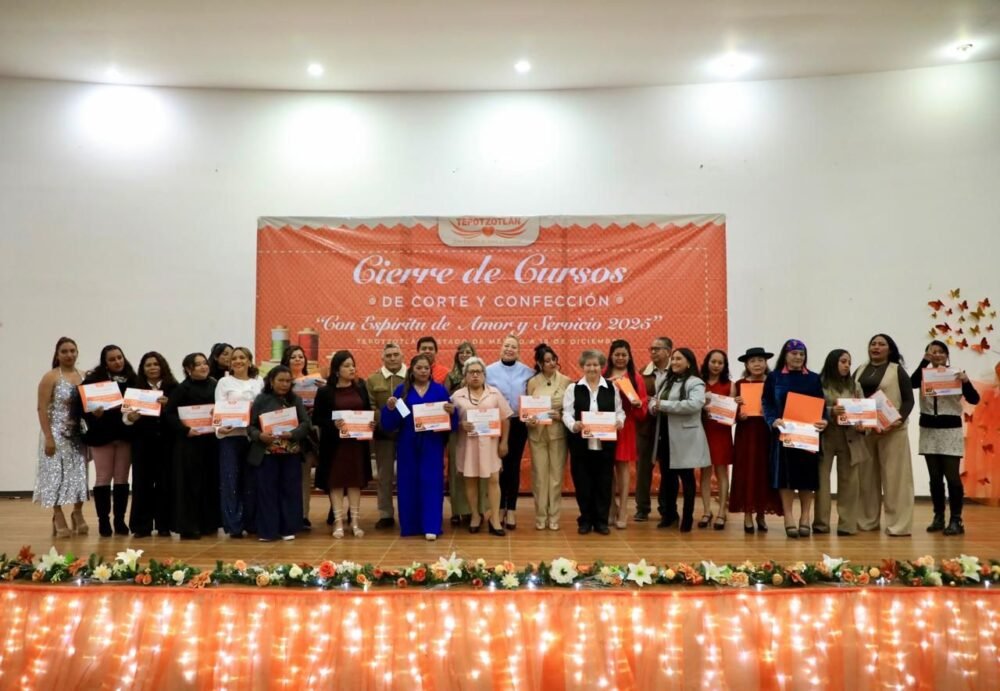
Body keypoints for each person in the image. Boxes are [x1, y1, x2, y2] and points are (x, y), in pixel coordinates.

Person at [381, 354, 454, 540]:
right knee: (408, 482)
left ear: (431, 371)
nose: (423, 371)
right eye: (419, 368)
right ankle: (411, 525)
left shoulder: (439, 390)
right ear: (412, 370)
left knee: (432, 482)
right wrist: (390, 409)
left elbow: (451, 421)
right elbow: (391, 423)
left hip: (432, 443)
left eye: (426, 368)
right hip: (408, 443)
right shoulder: (402, 390)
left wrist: (452, 412)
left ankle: (431, 526)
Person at [910, 340, 980, 535]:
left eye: (941, 351)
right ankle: (938, 516)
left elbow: (974, 399)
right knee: (935, 477)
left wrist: (966, 381)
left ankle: (956, 519)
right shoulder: (923, 374)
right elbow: (911, 383)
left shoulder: (956, 374)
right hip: (929, 429)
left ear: (947, 355)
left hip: (950, 430)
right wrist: (924, 362)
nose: (937, 355)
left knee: (952, 477)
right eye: (933, 352)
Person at [762, 339, 828, 539]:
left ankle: (805, 516)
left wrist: (824, 420)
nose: (798, 357)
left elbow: (821, 403)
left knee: (807, 477)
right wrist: (772, 420)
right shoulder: (774, 377)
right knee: (786, 477)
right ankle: (788, 516)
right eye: (794, 353)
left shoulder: (814, 378)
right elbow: (767, 402)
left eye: (802, 354)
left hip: (808, 436)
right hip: (784, 434)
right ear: (785, 355)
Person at [855, 333, 915, 536]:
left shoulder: (897, 370)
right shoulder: (860, 370)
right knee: (866, 479)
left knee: (896, 479)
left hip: (893, 431)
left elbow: (909, 400)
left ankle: (899, 525)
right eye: (873, 343)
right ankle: (866, 521)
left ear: (890, 349)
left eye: (881, 344)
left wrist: (898, 419)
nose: (876, 347)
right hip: (866, 431)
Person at [77, 344, 138, 537]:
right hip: (101, 435)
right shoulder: (92, 381)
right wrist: (93, 413)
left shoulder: (133, 380)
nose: (117, 362)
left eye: (119, 357)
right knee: (103, 477)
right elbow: (81, 409)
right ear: (105, 363)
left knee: (122, 478)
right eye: (112, 359)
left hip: (125, 435)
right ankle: (103, 520)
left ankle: (119, 520)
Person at [649, 347, 711, 532]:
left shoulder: (695, 382)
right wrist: (653, 406)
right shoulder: (665, 380)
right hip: (665, 436)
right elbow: (654, 400)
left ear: (689, 362)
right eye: (673, 359)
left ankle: (687, 518)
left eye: (679, 359)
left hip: (685, 438)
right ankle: (669, 515)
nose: (674, 362)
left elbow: (694, 404)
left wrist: (663, 405)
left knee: (687, 478)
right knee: (668, 478)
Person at [313, 350, 374, 539]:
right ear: (336, 370)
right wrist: (333, 423)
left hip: (357, 445)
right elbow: (317, 418)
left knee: (356, 482)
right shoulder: (325, 392)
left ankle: (355, 522)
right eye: (347, 366)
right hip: (335, 446)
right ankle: (338, 522)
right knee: (336, 482)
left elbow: (367, 411)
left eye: (353, 365)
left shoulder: (361, 388)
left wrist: (371, 423)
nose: (352, 369)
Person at [564, 349, 625, 535]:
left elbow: (620, 411)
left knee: (604, 482)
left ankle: (601, 521)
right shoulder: (573, 388)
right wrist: (574, 425)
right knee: (583, 483)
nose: (592, 368)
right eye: (588, 365)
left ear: (602, 367)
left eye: (595, 365)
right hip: (580, 444)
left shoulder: (611, 388)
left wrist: (619, 421)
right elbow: (566, 413)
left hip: (605, 444)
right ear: (582, 367)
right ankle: (585, 520)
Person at [451, 356, 512, 536]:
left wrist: (504, 442)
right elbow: (449, 421)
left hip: (490, 445)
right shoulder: (456, 396)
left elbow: (505, 418)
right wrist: (460, 425)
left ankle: (495, 519)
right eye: (471, 372)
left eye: (479, 372)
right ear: (465, 375)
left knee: (493, 480)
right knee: (470, 480)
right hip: (467, 445)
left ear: (484, 375)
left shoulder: (494, 393)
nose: (475, 375)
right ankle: (475, 516)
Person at [248, 365, 311, 541]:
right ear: (271, 381)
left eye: (288, 381)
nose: (284, 384)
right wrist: (259, 435)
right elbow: (250, 426)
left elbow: (306, 424)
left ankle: (287, 528)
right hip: (266, 453)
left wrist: (292, 434)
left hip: (290, 453)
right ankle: (267, 531)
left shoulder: (295, 400)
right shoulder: (261, 400)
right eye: (280, 380)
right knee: (267, 492)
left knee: (289, 490)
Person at [34, 337, 89, 537]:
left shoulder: (84, 376)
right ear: (57, 355)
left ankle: (77, 512)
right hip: (56, 433)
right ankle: (57, 515)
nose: (69, 355)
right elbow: (41, 408)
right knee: (55, 474)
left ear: (77, 352)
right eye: (64, 351)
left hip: (78, 433)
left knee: (80, 474)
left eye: (72, 351)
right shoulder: (50, 377)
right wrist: (48, 437)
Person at [163, 353, 219, 539]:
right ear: (188, 369)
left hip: (210, 442)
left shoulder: (215, 385)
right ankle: (189, 526)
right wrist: (185, 430)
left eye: (205, 363)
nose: (204, 367)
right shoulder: (182, 389)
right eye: (198, 364)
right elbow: (169, 414)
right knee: (190, 484)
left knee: (209, 482)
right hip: (189, 444)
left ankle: (208, 523)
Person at [816, 349, 870, 536]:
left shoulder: (855, 385)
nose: (847, 365)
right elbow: (813, 407)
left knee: (850, 482)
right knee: (822, 481)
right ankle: (821, 523)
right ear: (833, 362)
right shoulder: (819, 383)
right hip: (826, 436)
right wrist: (830, 411)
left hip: (850, 437)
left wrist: (864, 425)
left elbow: (864, 411)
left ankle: (847, 525)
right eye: (843, 361)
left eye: (849, 362)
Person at [728, 347, 783, 533]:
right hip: (747, 432)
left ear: (766, 363)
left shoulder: (774, 382)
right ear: (746, 365)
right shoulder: (739, 384)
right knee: (747, 470)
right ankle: (748, 515)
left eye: (760, 360)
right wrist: (737, 412)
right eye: (752, 361)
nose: (757, 364)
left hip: (768, 432)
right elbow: (729, 414)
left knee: (765, 471)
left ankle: (761, 514)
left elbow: (782, 406)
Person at [125, 351, 178, 537]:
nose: (153, 367)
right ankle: (142, 526)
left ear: (162, 366)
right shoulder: (135, 389)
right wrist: (130, 418)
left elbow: (181, 414)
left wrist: (169, 404)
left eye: (156, 364)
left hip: (166, 443)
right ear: (143, 369)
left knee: (165, 483)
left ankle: (164, 525)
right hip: (142, 443)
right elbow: (126, 417)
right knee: (142, 483)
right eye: (148, 365)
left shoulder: (174, 388)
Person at [486, 333, 535, 529]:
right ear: (501, 348)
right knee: (497, 466)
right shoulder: (488, 371)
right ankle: (498, 508)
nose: (509, 349)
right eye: (506, 345)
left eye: (513, 347)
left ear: (519, 351)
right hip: (494, 422)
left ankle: (512, 509)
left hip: (517, 424)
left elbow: (534, 397)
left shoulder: (528, 372)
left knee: (513, 466)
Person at [215, 346, 263, 538]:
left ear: (249, 361)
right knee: (230, 482)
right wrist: (220, 428)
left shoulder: (259, 382)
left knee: (252, 481)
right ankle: (234, 525)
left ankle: (252, 522)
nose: (238, 361)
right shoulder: (224, 382)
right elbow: (218, 409)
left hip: (253, 438)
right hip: (231, 437)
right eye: (234, 358)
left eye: (242, 357)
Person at [525, 343, 572, 530]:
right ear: (539, 364)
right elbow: (527, 411)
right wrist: (529, 420)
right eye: (547, 361)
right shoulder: (532, 382)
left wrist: (560, 416)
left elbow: (572, 410)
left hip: (558, 433)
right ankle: (540, 515)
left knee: (556, 477)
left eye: (553, 359)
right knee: (540, 476)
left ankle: (554, 516)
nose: (552, 363)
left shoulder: (566, 382)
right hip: (537, 435)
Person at [603, 339, 648, 529]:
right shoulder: (603, 375)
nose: (620, 358)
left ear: (629, 357)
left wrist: (638, 404)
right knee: (606, 468)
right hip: (604, 425)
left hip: (625, 426)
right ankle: (611, 507)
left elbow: (643, 406)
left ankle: (623, 509)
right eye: (617, 354)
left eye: (624, 355)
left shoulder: (636, 378)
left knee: (622, 468)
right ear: (611, 356)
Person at [282, 345, 325, 528]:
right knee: (285, 477)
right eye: (293, 357)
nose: (298, 359)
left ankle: (303, 515)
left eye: (301, 356)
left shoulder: (314, 382)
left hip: (307, 435)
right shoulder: (280, 382)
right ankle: (285, 514)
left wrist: (322, 393)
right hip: (285, 433)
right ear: (286, 360)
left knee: (304, 477)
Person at [365, 342, 407, 529]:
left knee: (407, 475)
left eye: (396, 354)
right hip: (383, 434)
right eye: (388, 355)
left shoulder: (411, 377)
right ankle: (385, 514)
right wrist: (385, 420)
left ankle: (408, 512)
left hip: (407, 433)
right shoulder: (373, 379)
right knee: (384, 476)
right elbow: (370, 405)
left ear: (402, 356)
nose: (392, 358)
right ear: (382, 358)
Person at [635, 336, 673, 522]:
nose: (653, 352)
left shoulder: (678, 370)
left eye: (657, 348)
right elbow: (636, 397)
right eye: (651, 349)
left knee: (668, 469)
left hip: (670, 426)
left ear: (668, 351)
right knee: (643, 468)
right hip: (646, 426)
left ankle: (666, 508)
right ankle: (642, 508)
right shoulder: (643, 372)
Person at [444, 341, 482, 526]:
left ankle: (474, 510)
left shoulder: (479, 375)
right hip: (457, 429)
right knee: (457, 470)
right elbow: (445, 402)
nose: (465, 354)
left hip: (477, 429)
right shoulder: (450, 376)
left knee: (475, 469)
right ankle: (457, 510)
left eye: (469, 352)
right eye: (462, 352)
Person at [699, 349, 733, 530]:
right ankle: (706, 511)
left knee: (721, 472)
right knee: (705, 472)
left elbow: (733, 414)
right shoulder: (699, 383)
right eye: (713, 361)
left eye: (720, 363)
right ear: (707, 362)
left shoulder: (730, 385)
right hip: (703, 431)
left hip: (721, 432)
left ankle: (721, 512)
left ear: (724, 366)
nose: (716, 365)